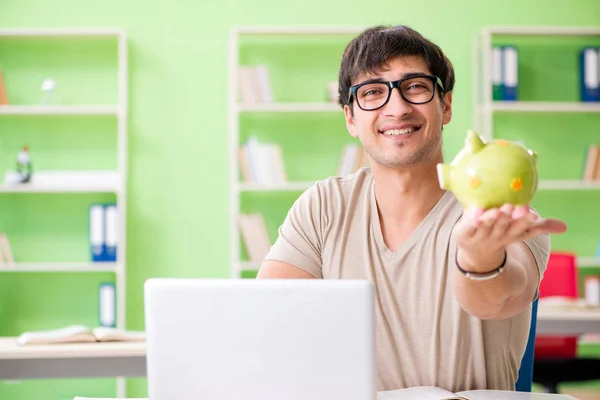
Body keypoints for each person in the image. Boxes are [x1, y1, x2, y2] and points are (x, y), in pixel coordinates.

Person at [256, 25, 567, 393]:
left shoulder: (501, 213)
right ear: (351, 119)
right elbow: (268, 320)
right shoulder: (323, 207)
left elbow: (499, 300)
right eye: (372, 92)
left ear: (446, 105)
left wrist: (478, 257)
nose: (397, 108)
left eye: (415, 87)